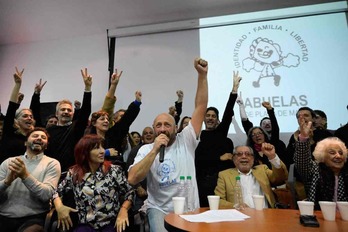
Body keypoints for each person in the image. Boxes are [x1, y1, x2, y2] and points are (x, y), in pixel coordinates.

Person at [127, 58, 208, 232]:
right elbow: (133, 178)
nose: (162, 129)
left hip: (189, 208)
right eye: (158, 125)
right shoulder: (146, 149)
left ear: (176, 128)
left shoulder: (186, 139)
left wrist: (202, 75)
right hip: (159, 209)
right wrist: (155, 150)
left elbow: (201, 106)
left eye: (167, 125)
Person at [53, 134, 135, 232]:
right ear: (85, 153)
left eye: (102, 147)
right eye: (96, 148)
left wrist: (124, 210)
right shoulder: (74, 173)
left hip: (110, 224)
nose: (102, 151)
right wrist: (59, 207)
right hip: (85, 225)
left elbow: (130, 192)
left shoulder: (113, 170)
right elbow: (55, 192)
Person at [0, 127, 61, 231]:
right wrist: (7, 182)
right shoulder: (9, 162)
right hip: (4, 215)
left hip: (34, 217)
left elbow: (47, 195)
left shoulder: (52, 163)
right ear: (25, 142)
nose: (39, 138)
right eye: (35, 136)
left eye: (43, 137)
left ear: (46, 146)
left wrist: (25, 176)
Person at [195, 71, 241, 207]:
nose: (210, 118)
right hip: (203, 183)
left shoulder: (221, 133)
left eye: (213, 116)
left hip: (221, 182)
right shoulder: (198, 136)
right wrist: (218, 158)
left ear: (217, 120)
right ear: (203, 118)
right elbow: (198, 159)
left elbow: (228, 114)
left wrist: (234, 91)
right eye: (207, 115)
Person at [294, 118, 348, 210]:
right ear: (322, 155)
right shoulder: (315, 170)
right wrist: (303, 137)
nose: (338, 156)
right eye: (332, 153)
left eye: (341, 153)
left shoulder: (346, 173)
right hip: (318, 216)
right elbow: (302, 162)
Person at [45, 68, 92, 171]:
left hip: (74, 173)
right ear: (57, 114)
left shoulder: (75, 128)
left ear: (72, 114)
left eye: (69, 110)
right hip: (52, 172)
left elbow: (85, 112)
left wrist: (87, 88)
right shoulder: (49, 131)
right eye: (63, 109)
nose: (66, 112)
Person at [214, 144, 288, 209]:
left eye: (248, 154)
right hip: (239, 217)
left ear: (253, 159)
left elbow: (281, 178)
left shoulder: (263, 170)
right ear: (234, 159)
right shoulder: (224, 175)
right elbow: (218, 200)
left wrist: (272, 157)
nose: (244, 156)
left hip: (266, 215)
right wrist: (235, 206)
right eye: (239, 154)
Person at [0, 68, 46, 163]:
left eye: (31, 117)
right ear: (16, 120)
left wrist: (36, 94)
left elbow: (36, 111)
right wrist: (17, 85)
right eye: (25, 116)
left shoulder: (34, 137)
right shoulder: (9, 131)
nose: (29, 118)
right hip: (6, 173)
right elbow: (11, 107)